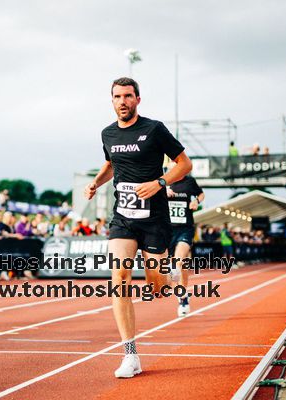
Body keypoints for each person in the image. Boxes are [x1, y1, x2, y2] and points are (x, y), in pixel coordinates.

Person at [84, 77, 192, 378]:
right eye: (117, 96)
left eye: (128, 96)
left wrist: (159, 183)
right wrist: (95, 182)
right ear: (112, 100)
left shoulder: (154, 129)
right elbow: (111, 165)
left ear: (138, 99)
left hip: (154, 219)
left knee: (156, 288)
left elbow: (184, 164)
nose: (122, 101)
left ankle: (169, 276)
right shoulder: (107, 134)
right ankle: (130, 355)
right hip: (123, 218)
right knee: (118, 276)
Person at [166, 163, 204, 316]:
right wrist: (164, 190)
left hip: (185, 227)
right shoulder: (164, 181)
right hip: (167, 229)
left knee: (179, 261)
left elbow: (201, 194)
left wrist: (196, 201)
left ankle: (183, 296)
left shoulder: (190, 181)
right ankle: (182, 296)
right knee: (174, 271)